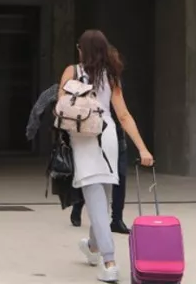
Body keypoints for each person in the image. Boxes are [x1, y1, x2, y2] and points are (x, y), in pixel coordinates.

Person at [61, 30, 153, 283]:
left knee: (96, 200)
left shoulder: (71, 71)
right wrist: (142, 148)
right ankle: (93, 247)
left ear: (83, 49)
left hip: (84, 139)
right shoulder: (111, 76)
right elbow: (123, 115)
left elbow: (61, 107)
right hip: (108, 136)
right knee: (101, 199)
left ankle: (109, 261)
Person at [69, 110, 129, 234]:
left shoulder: (114, 90)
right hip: (94, 134)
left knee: (121, 177)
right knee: (93, 177)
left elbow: (123, 115)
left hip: (116, 135)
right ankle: (78, 203)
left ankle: (117, 219)